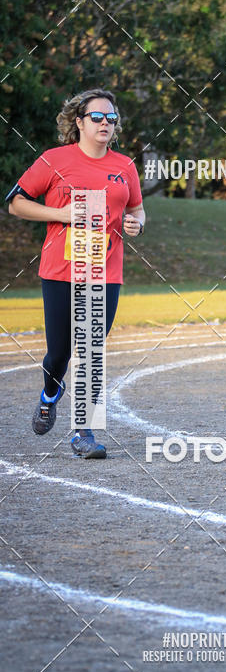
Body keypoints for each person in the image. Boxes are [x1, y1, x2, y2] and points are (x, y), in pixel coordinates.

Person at [6, 88, 145, 458]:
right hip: (59, 271)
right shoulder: (54, 160)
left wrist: (136, 224)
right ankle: (51, 391)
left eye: (111, 118)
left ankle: (84, 432)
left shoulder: (125, 166)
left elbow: (137, 209)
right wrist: (62, 215)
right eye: (97, 117)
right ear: (79, 122)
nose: (105, 123)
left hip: (105, 272)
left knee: (91, 352)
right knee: (59, 354)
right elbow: (16, 204)